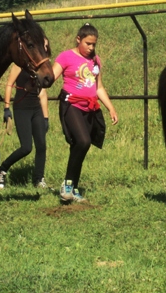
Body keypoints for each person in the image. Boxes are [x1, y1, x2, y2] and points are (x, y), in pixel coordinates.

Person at [52, 23, 118, 203]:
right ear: (78, 39)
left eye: (94, 44)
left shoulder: (95, 61)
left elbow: (99, 87)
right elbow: (51, 76)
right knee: (83, 141)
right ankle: (66, 184)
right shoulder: (66, 56)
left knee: (80, 146)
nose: (91, 47)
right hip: (71, 104)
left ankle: (72, 188)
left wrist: (110, 107)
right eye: (88, 43)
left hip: (89, 108)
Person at [0, 57, 50, 189]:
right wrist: (7, 108)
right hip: (22, 109)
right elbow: (9, 84)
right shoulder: (19, 65)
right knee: (26, 147)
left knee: (41, 145)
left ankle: (39, 179)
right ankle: (2, 169)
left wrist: (46, 117)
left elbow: (42, 93)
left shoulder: (40, 68)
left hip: (36, 109)